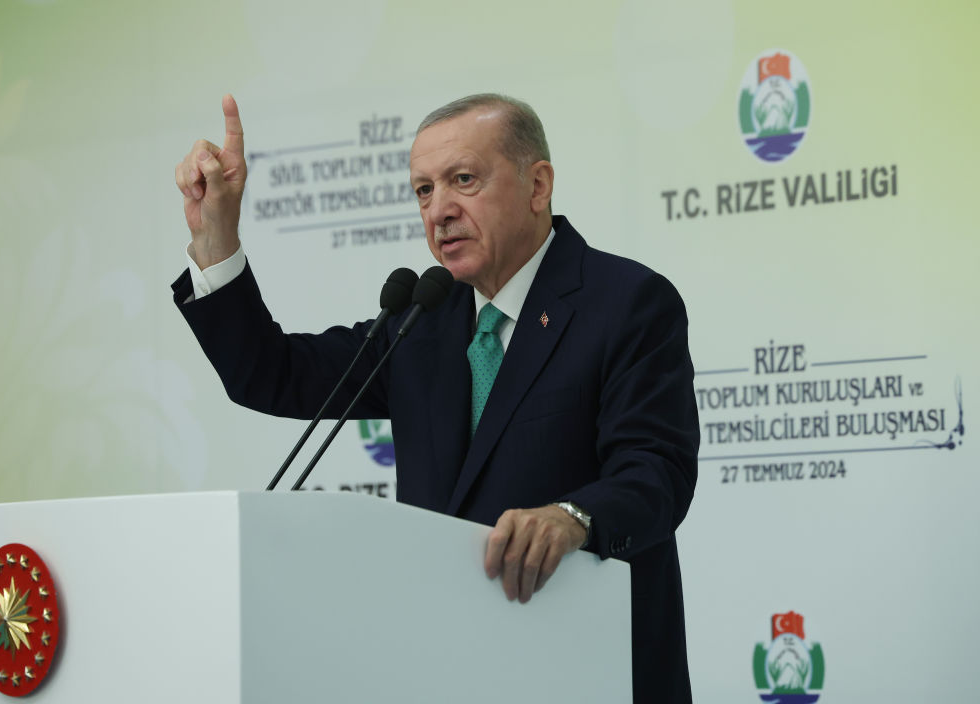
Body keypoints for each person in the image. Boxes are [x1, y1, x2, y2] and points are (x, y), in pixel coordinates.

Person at [172, 93, 699, 702]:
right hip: (449, 673)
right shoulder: (420, 322)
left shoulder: (627, 303)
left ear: (538, 185)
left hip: (588, 670)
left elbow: (656, 471)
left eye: (463, 180)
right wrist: (216, 236)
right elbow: (270, 373)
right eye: (424, 190)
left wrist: (574, 517)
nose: (440, 210)